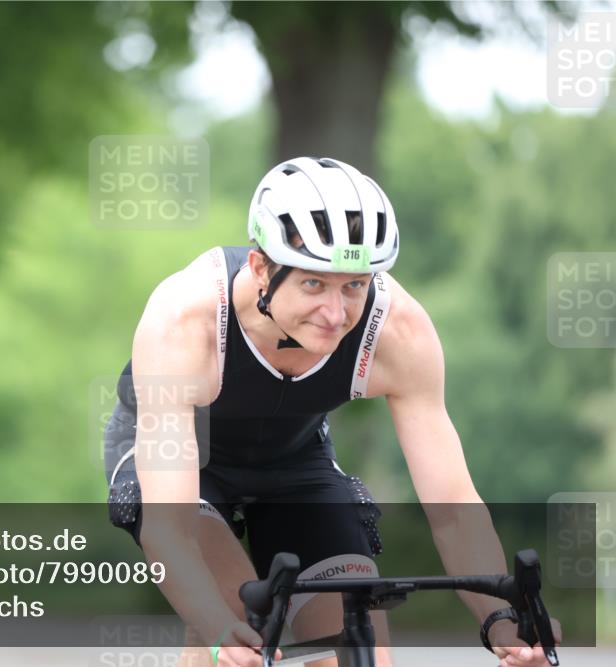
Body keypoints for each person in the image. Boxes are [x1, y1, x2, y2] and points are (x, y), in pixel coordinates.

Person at [103, 157, 560, 667]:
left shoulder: (396, 332)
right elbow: (172, 530)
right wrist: (214, 630)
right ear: (261, 269)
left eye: (354, 285)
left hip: (295, 461)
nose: (336, 313)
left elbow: (453, 507)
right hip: (185, 461)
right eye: (314, 284)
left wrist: (501, 620)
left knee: (356, 643)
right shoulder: (187, 322)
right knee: (240, 617)